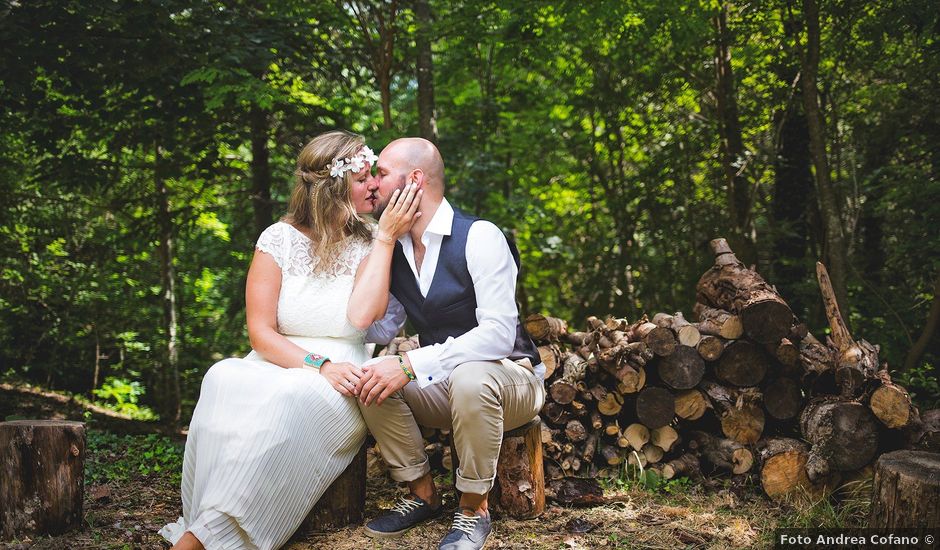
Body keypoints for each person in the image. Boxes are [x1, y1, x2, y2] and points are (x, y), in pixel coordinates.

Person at [158, 130, 420, 550]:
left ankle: (204, 540)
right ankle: (206, 522)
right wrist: (320, 365)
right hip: (284, 360)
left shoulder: (373, 240)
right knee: (223, 376)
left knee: (286, 402)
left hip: (342, 372)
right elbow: (261, 333)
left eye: (374, 175)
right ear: (333, 189)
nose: (375, 185)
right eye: (362, 178)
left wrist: (385, 238)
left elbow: (366, 316)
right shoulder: (277, 239)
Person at [350, 138, 546, 550]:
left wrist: (408, 364)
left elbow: (497, 334)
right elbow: (379, 331)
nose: (373, 184)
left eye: (381, 173)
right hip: (447, 386)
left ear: (415, 179)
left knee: (472, 379)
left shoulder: (480, 236)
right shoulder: (396, 250)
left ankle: (474, 508)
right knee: (368, 381)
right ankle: (421, 491)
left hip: (513, 380)